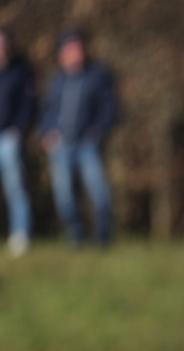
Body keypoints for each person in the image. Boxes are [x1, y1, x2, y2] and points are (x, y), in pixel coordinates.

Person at [40, 29, 119, 245]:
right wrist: (47, 132)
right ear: (61, 54)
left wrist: (97, 132)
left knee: (99, 194)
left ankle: (103, 240)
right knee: (64, 198)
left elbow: (110, 109)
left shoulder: (98, 76)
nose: (74, 54)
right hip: (61, 145)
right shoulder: (56, 81)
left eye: (77, 49)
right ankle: (76, 239)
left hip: (87, 143)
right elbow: (47, 111)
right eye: (69, 50)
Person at [0, 29, 36, 257]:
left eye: (2, 46)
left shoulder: (21, 72)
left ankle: (20, 234)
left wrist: (19, 130)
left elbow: (29, 105)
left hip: (9, 138)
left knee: (15, 187)